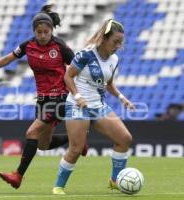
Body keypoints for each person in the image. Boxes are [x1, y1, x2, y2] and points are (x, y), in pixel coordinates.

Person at [0, 4, 88, 189]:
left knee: (31, 132)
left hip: (60, 97)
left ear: (51, 30)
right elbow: (9, 58)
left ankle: (17, 176)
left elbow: (78, 70)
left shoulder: (60, 47)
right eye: (39, 32)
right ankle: (78, 141)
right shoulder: (28, 45)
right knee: (42, 144)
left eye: (46, 32)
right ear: (34, 31)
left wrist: (78, 94)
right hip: (42, 100)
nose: (42, 35)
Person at [52, 19, 135, 195]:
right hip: (77, 105)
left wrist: (122, 98)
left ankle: (115, 181)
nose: (118, 46)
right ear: (104, 39)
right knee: (76, 149)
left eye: (121, 42)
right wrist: (78, 97)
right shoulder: (86, 55)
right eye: (115, 42)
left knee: (124, 139)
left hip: (98, 106)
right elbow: (68, 77)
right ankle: (58, 186)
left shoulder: (114, 59)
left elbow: (108, 83)